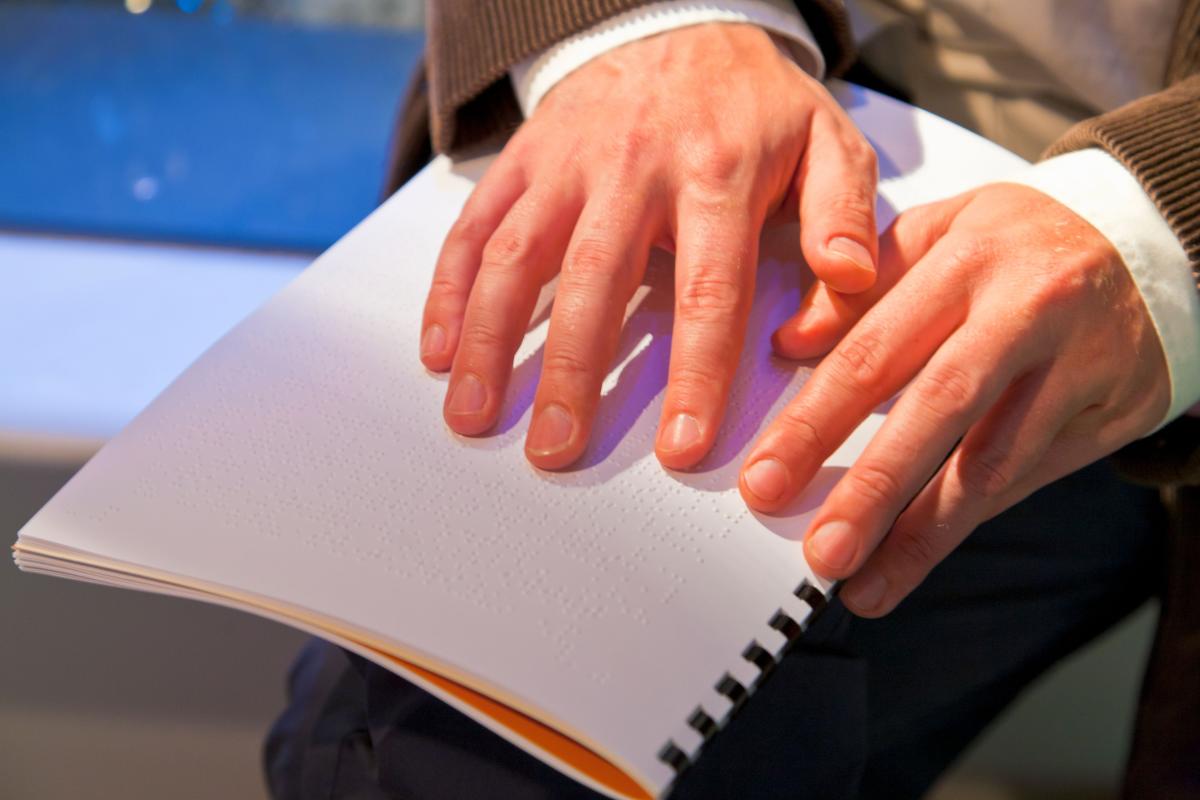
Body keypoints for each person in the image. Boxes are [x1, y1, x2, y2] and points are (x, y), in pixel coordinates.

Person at [266, 2, 1200, 797]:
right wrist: (648, 20)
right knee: (412, 750)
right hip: (753, 131)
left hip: (1120, 268)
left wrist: (1159, 230)